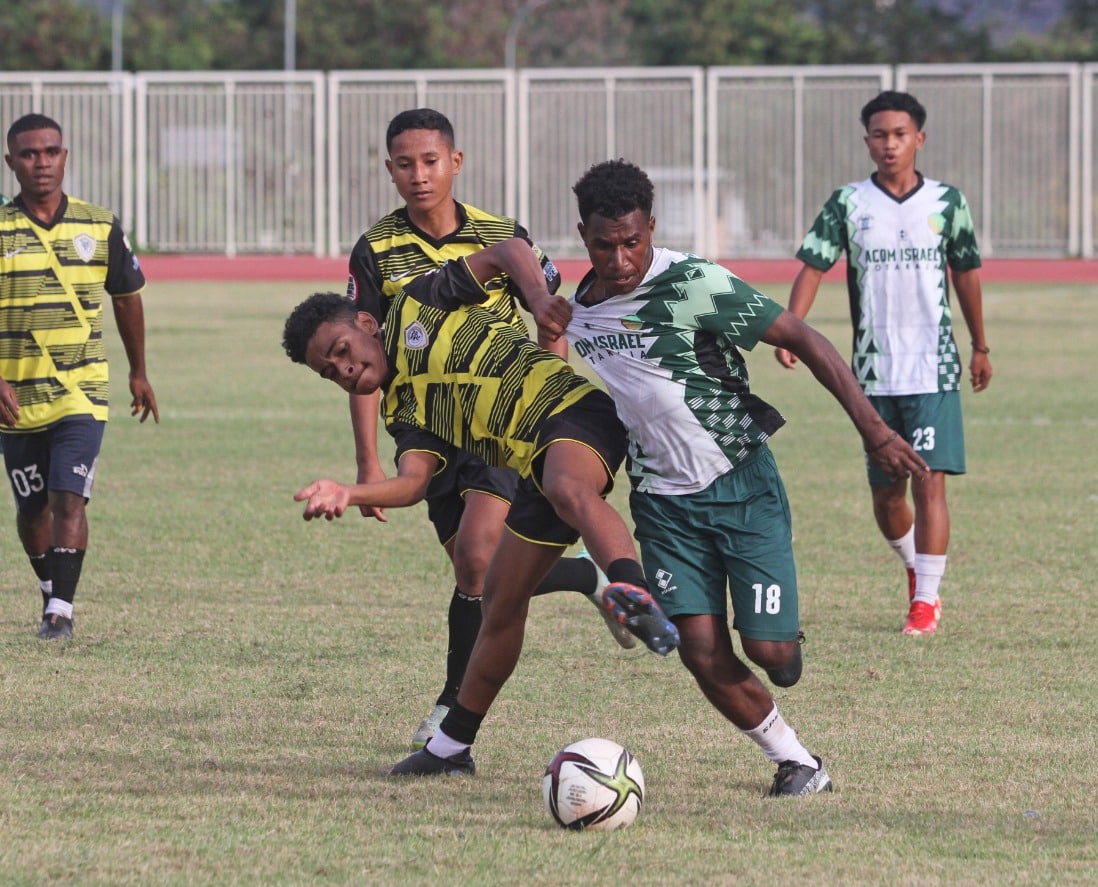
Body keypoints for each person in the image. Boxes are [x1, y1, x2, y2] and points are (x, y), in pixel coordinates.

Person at [565, 160, 929, 796]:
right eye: (604, 244)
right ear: (583, 236)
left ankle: (780, 636)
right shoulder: (577, 312)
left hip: (741, 484)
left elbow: (806, 338)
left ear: (651, 228)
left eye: (632, 241)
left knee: (773, 657)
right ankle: (797, 762)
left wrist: (873, 430)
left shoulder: (694, 283)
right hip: (662, 505)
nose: (620, 258)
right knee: (699, 649)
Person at [282, 236, 680, 778]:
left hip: (573, 414)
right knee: (498, 598)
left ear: (366, 325)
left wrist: (538, 301)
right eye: (330, 372)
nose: (344, 370)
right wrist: (350, 493)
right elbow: (414, 481)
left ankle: (633, 590)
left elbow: (508, 251)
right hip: (533, 467)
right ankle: (450, 751)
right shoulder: (404, 409)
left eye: (342, 350)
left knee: (570, 490)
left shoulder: (419, 299)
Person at [347, 108, 633, 751]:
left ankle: (450, 719)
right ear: (388, 168)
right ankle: (587, 578)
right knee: (471, 573)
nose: (418, 175)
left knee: (480, 554)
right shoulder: (377, 249)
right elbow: (361, 358)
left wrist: (549, 412)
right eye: (403, 163)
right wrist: (368, 461)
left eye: (429, 161)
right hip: (426, 424)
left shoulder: (504, 234)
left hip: (502, 417)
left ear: (455, 162)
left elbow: (550, 319)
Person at [776, 90, 992, 637]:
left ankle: (926, 602)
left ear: (919, 138)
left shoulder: (947, 202)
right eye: (879, 134)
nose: (889, 144)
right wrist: (790, 332)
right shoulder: (848, 204)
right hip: (872, 373)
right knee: (887, 494)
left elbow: (965, 272)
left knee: (930, 484)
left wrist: (980, 345)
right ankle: (917, 570)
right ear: (866, 139)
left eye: (900, 134)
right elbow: (812, 267)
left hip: (934, 368)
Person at [0, 112, 159, 639]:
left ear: (65, 157)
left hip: (82, 390)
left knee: (71, 495)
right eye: (28, 154)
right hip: (16, 396)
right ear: (11, 162)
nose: (41, 163)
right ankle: (51, 588)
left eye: (50, 152)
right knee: (32, 509)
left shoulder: (100, 223)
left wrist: (138, 371)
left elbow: (127, 298)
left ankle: (60, 613)